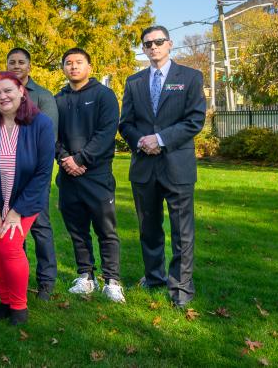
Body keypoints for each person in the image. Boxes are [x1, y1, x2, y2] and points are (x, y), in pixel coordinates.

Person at [118, 25, 206, 308]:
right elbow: (125, 123)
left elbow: (195, 120)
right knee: (149, 228)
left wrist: (160, 139)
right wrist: (141, 141)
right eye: (147, 44)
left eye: (158, 42)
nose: (153, 47)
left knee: (182, 230)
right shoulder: (134, 82)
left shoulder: (190, 78)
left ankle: (180, 288)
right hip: (144, 167)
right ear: (143, 49)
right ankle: (154, 277)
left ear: (170, 44)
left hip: (176, 165)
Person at [0, 71, 55, 325]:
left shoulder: (41, 124)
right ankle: (5, 300)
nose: (2, 96)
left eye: (8, 90)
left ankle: (19, 307)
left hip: (24, 200)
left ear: (21, 91)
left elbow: (43, 173)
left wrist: (16, 211)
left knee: (8, 246)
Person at [54, 48, 124, 303]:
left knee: (106, 231)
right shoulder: (58, 99)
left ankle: (112, 281)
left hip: (97, 176)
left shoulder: (104, 96)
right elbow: (52, 136)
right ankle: (85, 276)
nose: (73, 67)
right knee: (78, 231)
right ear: (63, 68)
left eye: (78, 62)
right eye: (68, 63)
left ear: (89, 67)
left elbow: (106, 133)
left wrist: (81, 159)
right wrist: (66, 160)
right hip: (68, 177)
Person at [6, 47, 59, 300]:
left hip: (36, 175)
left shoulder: (44, 97)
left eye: (21, 62)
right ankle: (19, 278)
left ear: (29, 66)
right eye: (11, 62)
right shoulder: (2, 95)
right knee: (15, 230)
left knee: (40, 226)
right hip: (8, 177)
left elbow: (48, 140)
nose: (16, 66)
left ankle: (46, 282)